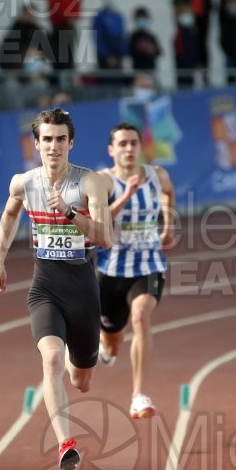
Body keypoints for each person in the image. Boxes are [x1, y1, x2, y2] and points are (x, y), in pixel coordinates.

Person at [0, 108, 113, 470]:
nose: (54, 146)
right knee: (52, 360)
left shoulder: (90, 183)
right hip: (45, 289)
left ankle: (98, 351)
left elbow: (105, 237)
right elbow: (10, 214)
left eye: (61, 139)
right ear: (37, 143)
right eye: (48, 139)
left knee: (81, 380)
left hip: (84, 293)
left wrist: (70, 214)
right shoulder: (23, 182)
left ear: (71, 142)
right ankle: (66, 443)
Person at [96, 123, 175, 419]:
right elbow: (98, 220)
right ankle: (108, 347)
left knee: (141, 317)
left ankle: (138, 395)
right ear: (111, 150)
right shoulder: (103, 182)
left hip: (148, 266)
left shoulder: (157, 175)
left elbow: (168, 192)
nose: (129, 149)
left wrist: (168, 225)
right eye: (122, 144)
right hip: (111, 271)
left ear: (141, 147)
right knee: (112, 339)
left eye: (133, 143)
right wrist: (125, 197)